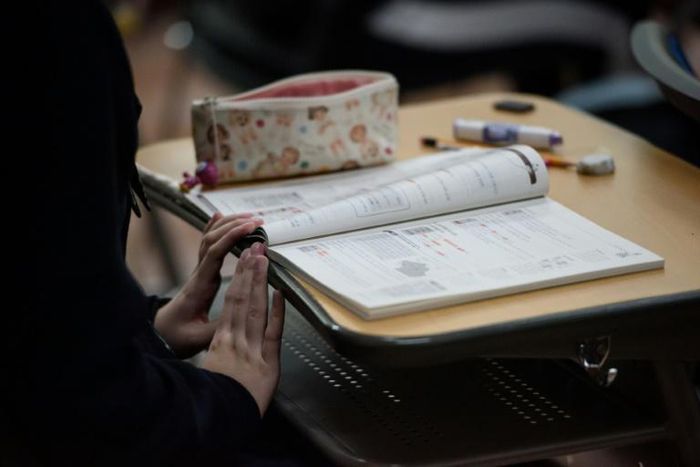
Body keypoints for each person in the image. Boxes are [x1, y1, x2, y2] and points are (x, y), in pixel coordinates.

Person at [3, 1, 288, 465]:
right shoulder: (50, 38)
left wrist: (138, 333)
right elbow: (77, 406)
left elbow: (33, 301)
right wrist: (226, 401)